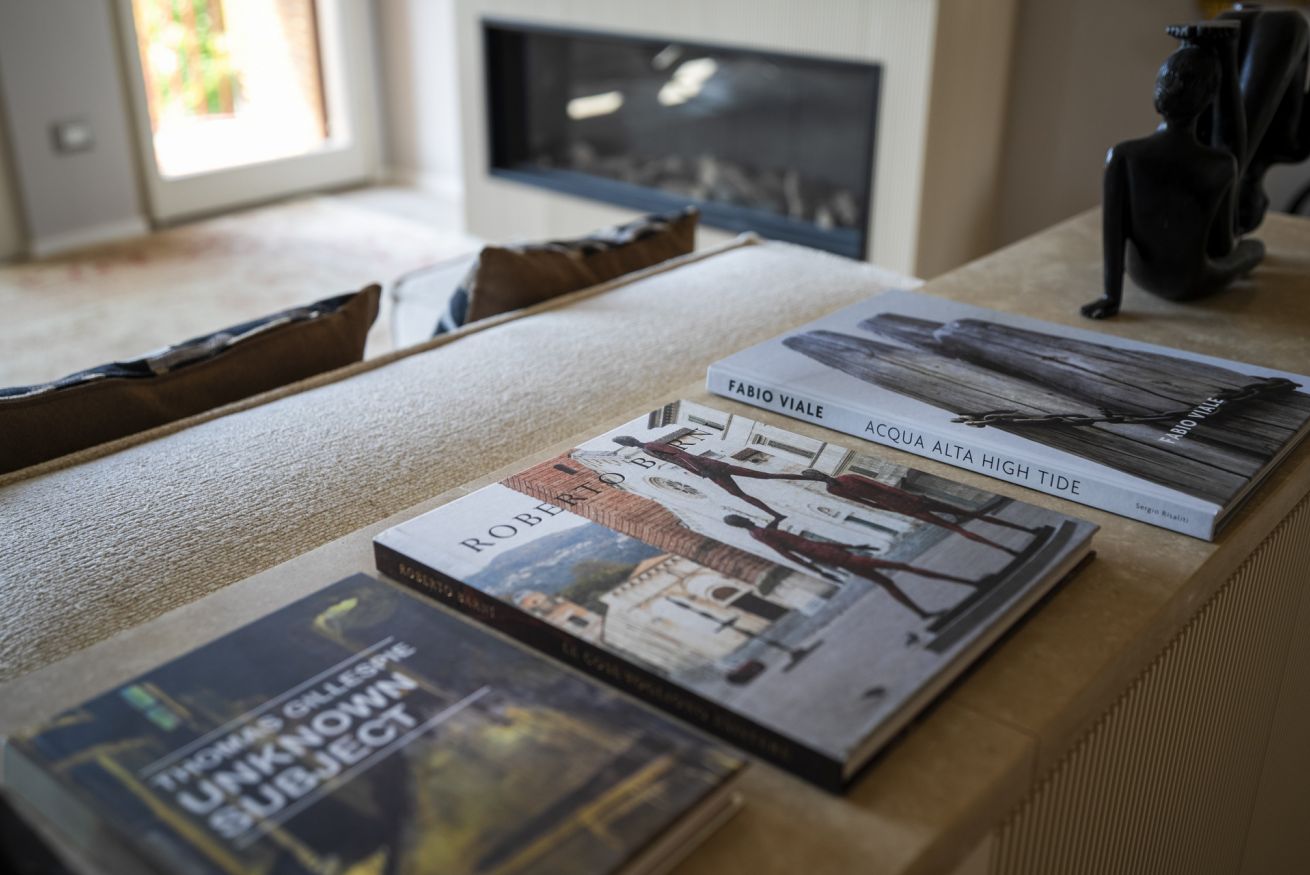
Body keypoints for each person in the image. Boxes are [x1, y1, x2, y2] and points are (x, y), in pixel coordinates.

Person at [1083, 42, 1264, 319]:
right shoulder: (1221, 164)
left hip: (1141, 275)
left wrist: (1111, 297)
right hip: (1191, 282)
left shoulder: (1122, 155)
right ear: (1208, 100)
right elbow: (1222, 247)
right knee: (1254, 249)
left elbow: (1114, 234)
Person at [723, 515, 985, 620]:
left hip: (834, 554)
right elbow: (790, 551)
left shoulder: (762, 531)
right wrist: (819, 569)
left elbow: (803, 543)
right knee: (902, 567)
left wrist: (850, 544)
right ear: (738, 522)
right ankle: (969, 584)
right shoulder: (762, 534)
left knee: (887, 582)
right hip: (836, 558)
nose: (741, 517)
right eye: (737, 518)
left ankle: (923, 613)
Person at [798, 469, 1034, 555]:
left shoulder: (834, 489)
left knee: (954, 527)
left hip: (900, 505)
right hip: (906, 499)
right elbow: (884, 487)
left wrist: (891, 507)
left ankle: (1007, 549)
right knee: (971, 515)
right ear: (821, 474)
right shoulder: (846, 478)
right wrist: (905, 498)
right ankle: (1026, 530)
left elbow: (870, 503)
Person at [613, 434, 798, 521]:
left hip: (709, 467)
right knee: (738, 494)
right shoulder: (645, 450)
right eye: (623, 443)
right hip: (704, 471)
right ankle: (776, 515)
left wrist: (700, 469)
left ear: (629, 439)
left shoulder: (650, 445)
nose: (626, 443)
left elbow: (681, 455)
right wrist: (697, 472)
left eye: (624, 441)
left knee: (766, 476)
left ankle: (811, 478)